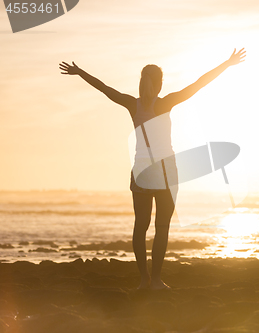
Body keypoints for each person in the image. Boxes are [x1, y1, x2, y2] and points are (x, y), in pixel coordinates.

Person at [59, 48, 246, 290]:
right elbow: (199, 83)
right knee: (162, 226)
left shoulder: (131, 104)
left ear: (141, 83)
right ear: (159, 85)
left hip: (142, 171)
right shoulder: (166, 102)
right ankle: (156, 280)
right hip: (167, 171)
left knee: (140, 225)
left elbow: (103, 88)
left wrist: (79, 71)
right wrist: (227, 63)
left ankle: (143, 280)